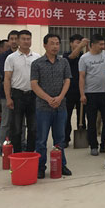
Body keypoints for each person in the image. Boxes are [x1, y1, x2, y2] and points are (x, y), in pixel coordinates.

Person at [30, 33, 73, 179]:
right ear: (45, 45)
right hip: (43, 108)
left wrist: (60, 97)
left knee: (60, 138)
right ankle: (40, 167)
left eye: (57, 43)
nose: (55, 46)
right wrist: (48, 99)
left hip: (60, 106)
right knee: (41, 139)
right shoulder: (37, 64)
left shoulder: (64, 62)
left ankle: (61, 164)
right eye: (52, 43)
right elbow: (34, 84)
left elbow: (67, 80)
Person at [4, 29, 40, 154]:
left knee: (33, 128)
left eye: (28, 39)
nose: (26, 41)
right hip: (17, 95)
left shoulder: (37, 57)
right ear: (18, 41)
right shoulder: (11, 58)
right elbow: (7, 79)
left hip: (33, 95)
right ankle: (17, 153)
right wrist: (8, 98)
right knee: (16, 128)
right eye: (23, 39)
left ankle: (30, 153)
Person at [79, 33, 105, 156]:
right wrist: (82, 94)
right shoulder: (84, 58)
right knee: (91, 122)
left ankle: (104, 145)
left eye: (103, 44)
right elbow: (82, 77)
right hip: (90, 94)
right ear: (92, 45)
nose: (103, 46)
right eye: (100, 44)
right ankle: (93, 145)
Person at [0, 30, 24, 151]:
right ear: (8, 41)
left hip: (21, 93)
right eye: (11, 39)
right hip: (6, 93)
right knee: (6, 121)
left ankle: (21, 144)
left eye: (16, 39)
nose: (13, 41)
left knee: (21, 122)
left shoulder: (24, 54)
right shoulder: (4, 56)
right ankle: (3, 146)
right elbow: (5, 75)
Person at [63, 34, 89, 148]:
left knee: (82, 115)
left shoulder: (84, 56)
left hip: (82, 90)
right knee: (67, 116)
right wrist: (81, 45)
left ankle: (83, 137)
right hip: (69, 90)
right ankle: (65, 139)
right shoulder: (66, 55)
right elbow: (72, 57)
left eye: (80, 42)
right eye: (77, 42)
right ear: (71, 43)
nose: (79, 45)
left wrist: (87, 46)